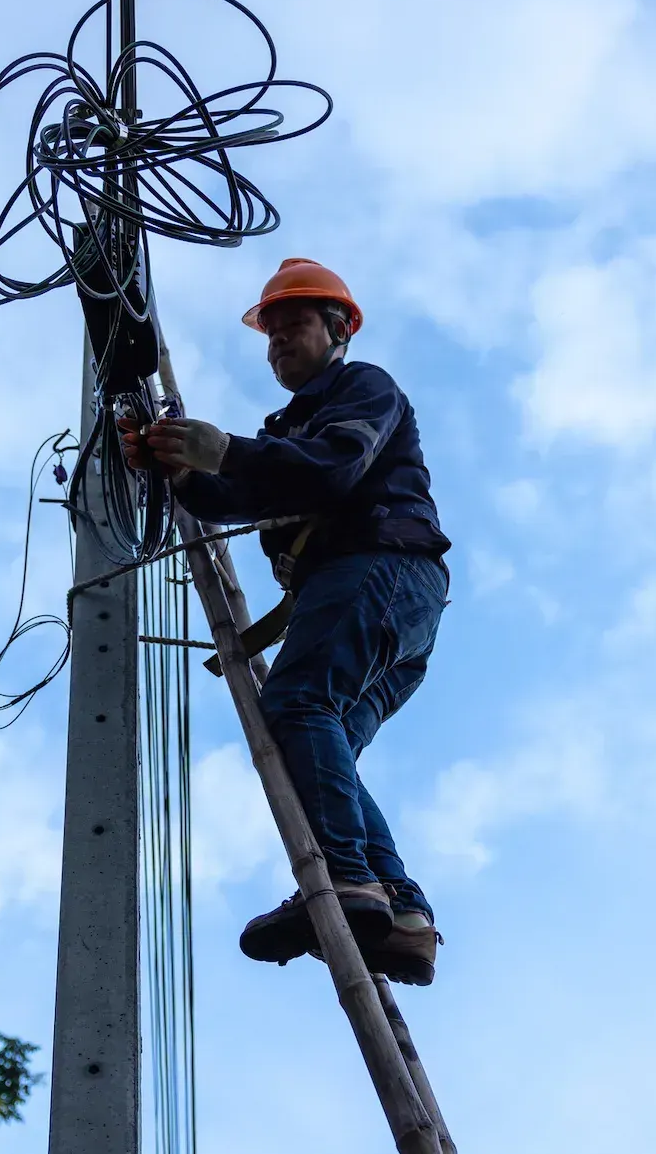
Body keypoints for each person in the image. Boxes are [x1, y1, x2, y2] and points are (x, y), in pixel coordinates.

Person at [119, 257, 452, 987]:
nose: (277, 344)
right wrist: (179, 468)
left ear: (339, 329)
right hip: (389, 604)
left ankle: (347, 879)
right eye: (269, 335)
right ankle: (402, 913)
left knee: (299, 705)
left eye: (292, 325)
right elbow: (235, 497)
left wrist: (225, 449)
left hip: (380, 570)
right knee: (314, 735)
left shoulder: (364, 387)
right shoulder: (288, 428)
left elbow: (332, 469)